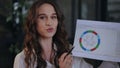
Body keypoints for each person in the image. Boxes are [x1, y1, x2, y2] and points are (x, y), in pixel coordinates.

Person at [13, 0, 120, 68]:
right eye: (42, 17)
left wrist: (111, 54)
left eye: (53, 17)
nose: (49, 23)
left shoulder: (68, 50)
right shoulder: (22, 59)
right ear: (33, 22)